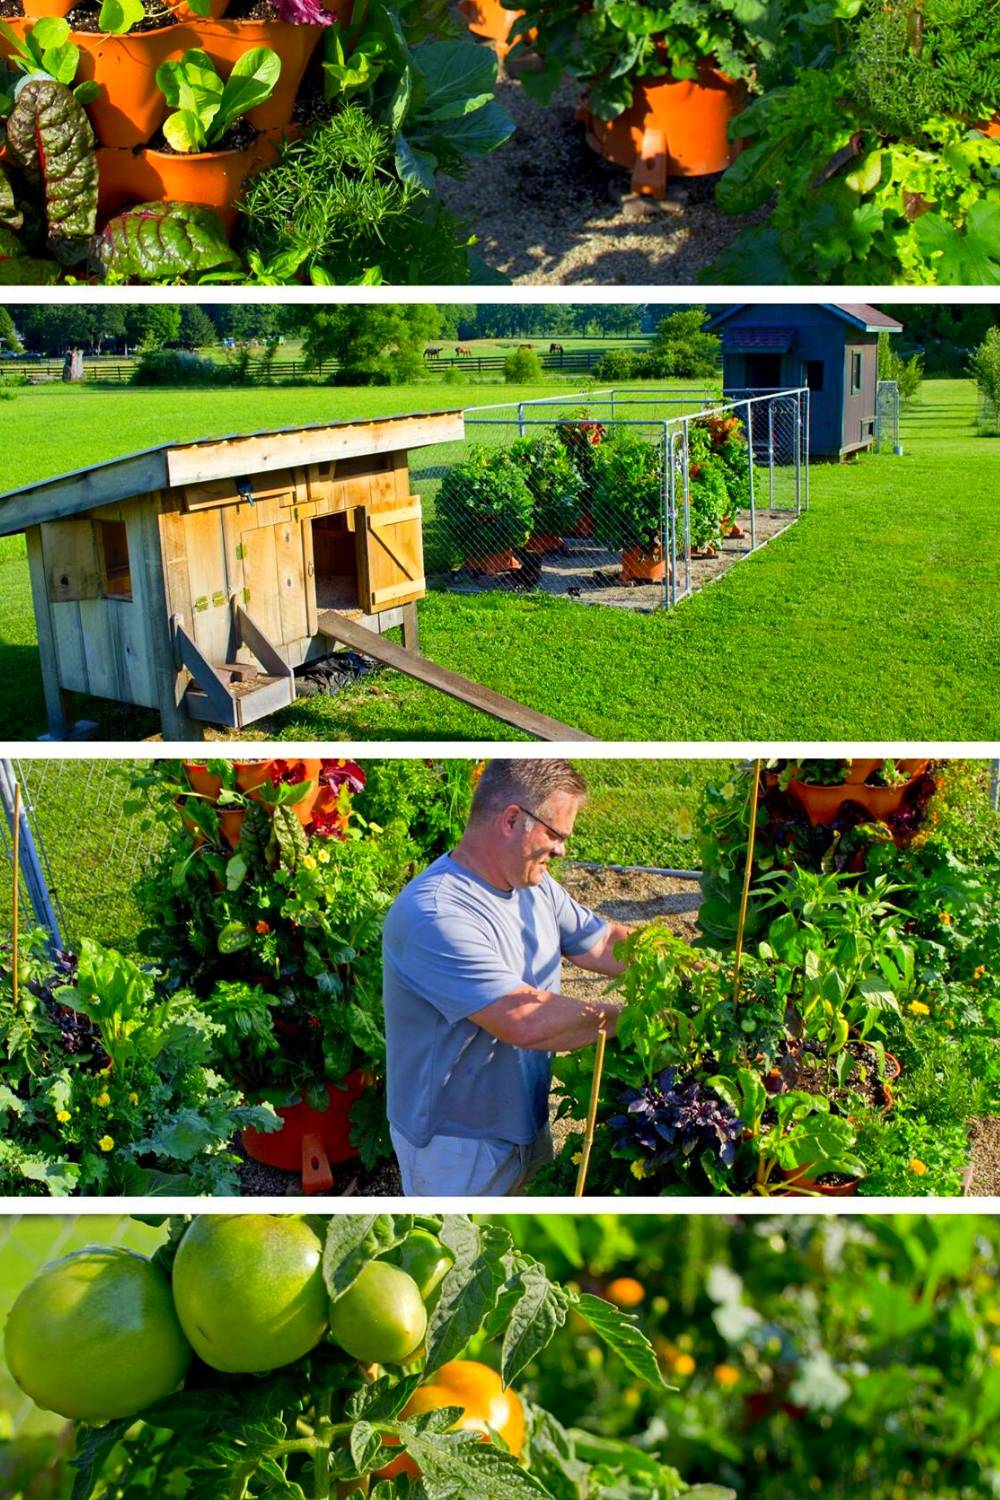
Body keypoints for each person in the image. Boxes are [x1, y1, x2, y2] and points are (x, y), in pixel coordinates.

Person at [382, 759, 630, 1196]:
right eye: (556, 835)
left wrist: (687, 971)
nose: (562, 850)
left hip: (522, 1120)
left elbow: (602, 942)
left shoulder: (533, 884)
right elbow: (523, 1019)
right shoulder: (436, 913)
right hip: (455, 1148)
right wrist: (636, 1020)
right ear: (513, 819)